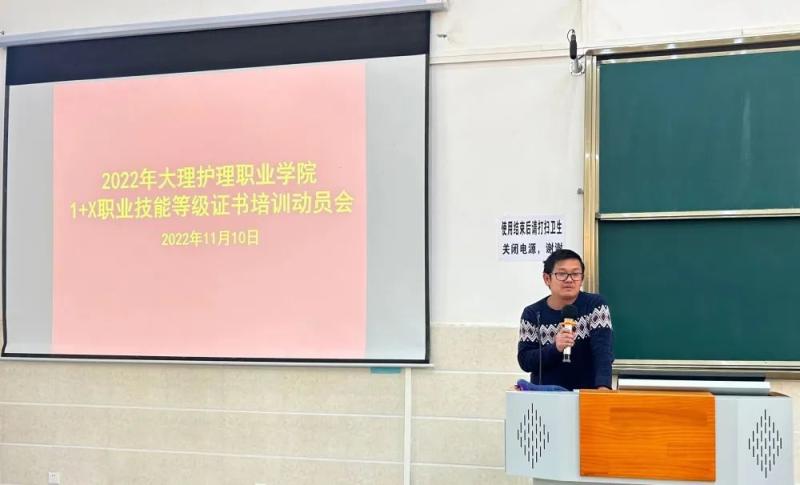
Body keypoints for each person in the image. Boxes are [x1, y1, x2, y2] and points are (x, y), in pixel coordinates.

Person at [517, 249, 613, 390]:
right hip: (547, 395)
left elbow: (603, 352)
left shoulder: (595, 306)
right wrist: (555, 348)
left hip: (586, 393)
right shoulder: (532, 314)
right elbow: (525, 361)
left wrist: (603, 389)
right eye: (562, 274)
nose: (569, 279)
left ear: (582, 278)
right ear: (547, 278)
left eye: (575, 274)